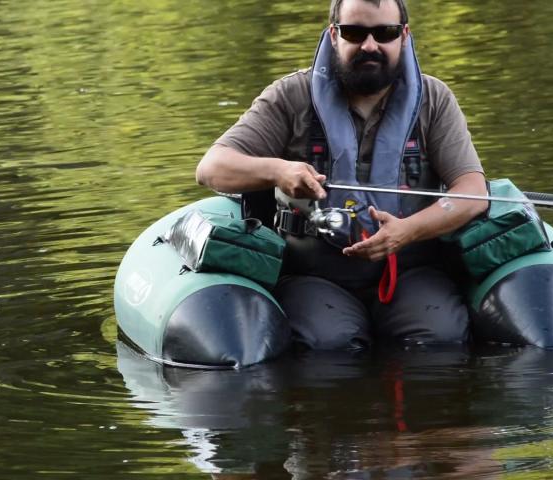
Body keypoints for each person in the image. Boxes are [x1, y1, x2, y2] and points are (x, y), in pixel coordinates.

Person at [196, 0, 488, 350]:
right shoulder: (290, 96)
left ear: (404, 37)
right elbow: (211, 167)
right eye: (354, 32)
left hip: (412, 272)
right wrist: (278, 170)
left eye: (385, 33)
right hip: (316, 275)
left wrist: (407, 232)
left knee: (439, 340)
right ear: (334, 36)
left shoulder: (435, 99)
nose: (370, 45)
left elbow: (472, 189)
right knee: (328, 346)